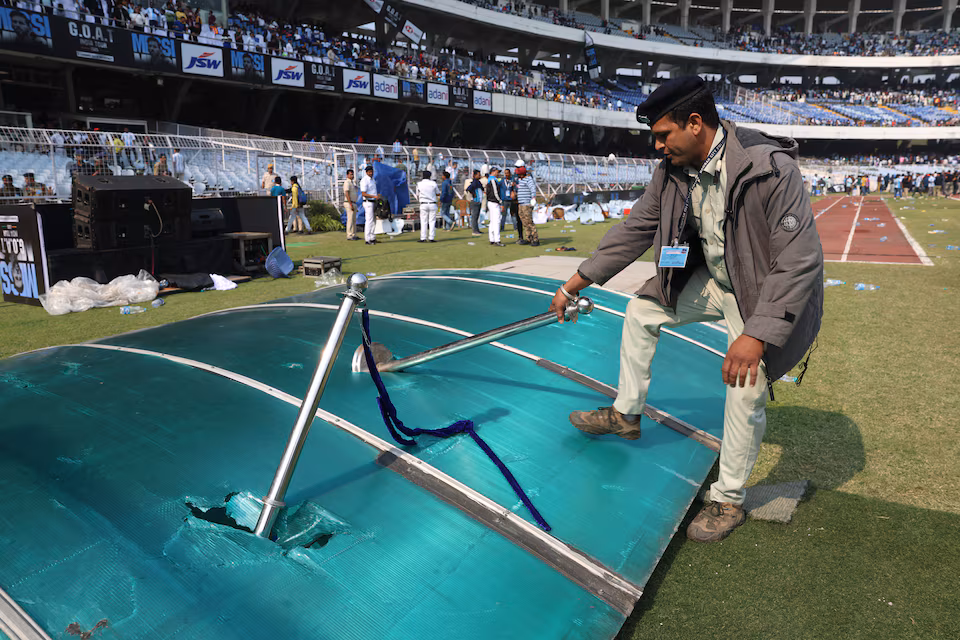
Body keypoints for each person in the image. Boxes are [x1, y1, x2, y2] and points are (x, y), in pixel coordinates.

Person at [550, 76, 824, 544]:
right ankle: (626, 414)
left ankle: (728, 499)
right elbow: (637, 228)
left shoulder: (770, 167)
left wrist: (756, 334)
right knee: (642, 311)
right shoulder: (672, 170)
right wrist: (574, 284)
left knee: (745, 385)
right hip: (715, 280)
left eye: (663, 135)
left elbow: (799, 260)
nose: (657, 146)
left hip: (759, 295)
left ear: (695, 123)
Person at [515, 162, 540, 246]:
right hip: (520, 204)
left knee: (529, 222)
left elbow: (533, 189)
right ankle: (528, 238)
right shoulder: (519, 180)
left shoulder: (528, 179)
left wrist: (533, 198)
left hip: (526, 204)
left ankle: (535, 239)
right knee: (524, 222)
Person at [415, 170, 440, 243]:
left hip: (423, 203)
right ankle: (431, 237)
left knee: (423, 221)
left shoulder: (419, 184)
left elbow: (417, 194)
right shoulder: (433, 183)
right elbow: (438, 193)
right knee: (432, 221)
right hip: (432, 203)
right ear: (430, 176)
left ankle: (423, 238)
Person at [485, 166, 504, 247]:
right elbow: (495, 193)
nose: (498, 173)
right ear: (493, 172)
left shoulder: (491, 179)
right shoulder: (493, 180)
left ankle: (492, 239)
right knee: (496, 221)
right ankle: (497, 240)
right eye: (497, 172)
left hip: (491, 202)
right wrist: (500, 201)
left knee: (492, 221)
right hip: (494, 202)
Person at [359, 165, 378, 245]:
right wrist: (374, 196)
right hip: (368, 202)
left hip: (373, 201)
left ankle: (372, 237)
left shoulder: (372, 179)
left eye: (372, 172)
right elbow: (363, 193)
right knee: (369, 220)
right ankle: (367, 239)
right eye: (369, 172)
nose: (371, 173)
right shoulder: (364, 180)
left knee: (374, 220)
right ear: (366, 172)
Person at [342, 168, 359, 241]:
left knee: (354, 220)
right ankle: (349, 235)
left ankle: (354, 234)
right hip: (349, 202)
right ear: (347, 175)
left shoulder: (352, 183)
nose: (352, 176)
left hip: (354, 202)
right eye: (351, 174)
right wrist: (350, 204)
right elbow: (346, 193)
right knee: (350, 219)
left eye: (353, 174)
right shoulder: (347, 182)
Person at [467, 169, 483, 236]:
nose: (480, 176)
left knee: (476, 217)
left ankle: (477, 229)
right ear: (475, 175)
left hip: (479, 201)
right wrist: (473, 194)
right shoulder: (474, 182)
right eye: (478, 175)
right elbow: (469, 189)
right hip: (475, 201)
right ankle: (474, 231)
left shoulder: (478, 182)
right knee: (474, 217)